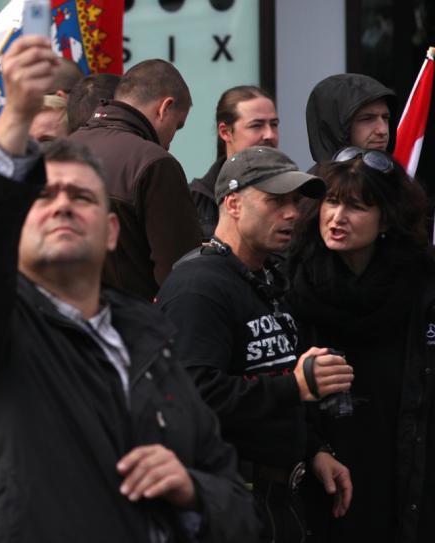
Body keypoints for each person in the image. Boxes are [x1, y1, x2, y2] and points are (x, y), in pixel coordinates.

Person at [0, 34, 260, 543]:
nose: (61, 205)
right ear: (17, 222)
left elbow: (240, 509)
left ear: (110, 231)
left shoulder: (150, 340)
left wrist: (191, 489)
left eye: (81, 196)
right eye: (43, 195)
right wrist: (12, 122)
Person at [156, 146, 355, 543]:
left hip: (280, 499)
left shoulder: (266, 277)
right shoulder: (199, 286)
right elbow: (191, 398)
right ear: (232, 203)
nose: (292, 214)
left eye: (295, 202)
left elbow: (269, 373)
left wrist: (313, 449)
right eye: (275, 201)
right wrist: (295, 387)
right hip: (227, 502)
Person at [288, 147, 435, 543]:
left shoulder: (421, 285)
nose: (337, 217)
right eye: (331, 202)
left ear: (385, 218)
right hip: (322, 479)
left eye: (356, 207)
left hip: (406, 478)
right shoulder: (292, 280)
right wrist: (312, 447)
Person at [69, 59, 201, 300]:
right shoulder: (155, 163)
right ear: (165, 108)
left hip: (53, 326)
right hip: (134, 327)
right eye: (177, 126)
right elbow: (182, 275)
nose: (171, 140)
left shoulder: (53, 155)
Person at [190, 85, 279, 239]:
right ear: (225, 132)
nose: (269, 134)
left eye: (274, 124)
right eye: (256, 125)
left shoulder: (294, 193)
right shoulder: (196, 200)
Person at [306, 73, 395, 169]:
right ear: (334, 128)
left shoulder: (398, 181)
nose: (383, 130)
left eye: (385, 117)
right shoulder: (316, 184)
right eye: (367, 119)